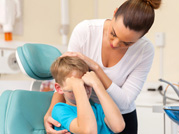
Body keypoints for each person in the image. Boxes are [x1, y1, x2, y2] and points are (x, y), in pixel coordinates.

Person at [44, 0, 162, 133]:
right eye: (113, 33)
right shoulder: (86, 31)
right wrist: (50, 115)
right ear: (115, 12)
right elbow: (65, 78)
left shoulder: (144, 51)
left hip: (115, 115)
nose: (115, 43)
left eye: (126, 43)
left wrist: (96, 70)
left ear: (142, 36)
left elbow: (125, 103)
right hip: (84, 113)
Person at [50, 56, 125, 134]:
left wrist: (96, 84)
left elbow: (118, 127)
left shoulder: (99, 109)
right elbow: (89, 131)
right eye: (77, 84)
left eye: (86, 83)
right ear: (59, 88)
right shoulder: (60, 110)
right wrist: (78, 86)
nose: (84, 88)